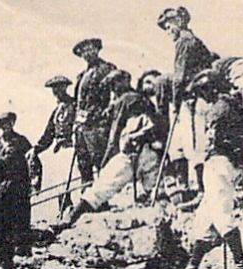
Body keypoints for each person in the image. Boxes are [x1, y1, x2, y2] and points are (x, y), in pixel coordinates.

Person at [65, 70, 164, 221]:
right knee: (156, 190)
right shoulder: (144, 100)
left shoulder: (125, 100)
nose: (113, 88)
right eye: (111, 85)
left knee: (101, 188)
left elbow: (115, 132)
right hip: (150, 152)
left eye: (115, 83)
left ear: (125, 80)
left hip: (131, 152)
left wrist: (106, 159)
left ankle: (72, 217)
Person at [186, 73, 243, 269]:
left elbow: (211, 142)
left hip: (219, 163)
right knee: (205, 219)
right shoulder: (233, 105)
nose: (202, 98)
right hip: (231, 163)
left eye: (202, 93)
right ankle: (192, 268)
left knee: (221, 213)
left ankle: (240, 262)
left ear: (209, 90)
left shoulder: (218, 109)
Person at [161, 6, 219, 193]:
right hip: (204, 96)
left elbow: (179, 77)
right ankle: (203, 187)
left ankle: (203, 189)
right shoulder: (195, 41)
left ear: (178, 22)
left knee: (194, 145)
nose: (168, 31)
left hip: (193, 98)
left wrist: (176, 104)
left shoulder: (184, 42)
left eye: (169, 26)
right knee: (199, 143)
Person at [72, 38, 120, 187]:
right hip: (81, 126)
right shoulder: (81, 76)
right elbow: (78, 102)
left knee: (100, 160)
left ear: (97, 49)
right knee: (83, 162)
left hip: (97, 124)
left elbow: (116, 92)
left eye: (89, 49)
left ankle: (101, 198)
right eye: (83, 52)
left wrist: (108, 112)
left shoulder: (107, 68)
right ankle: (87, 196)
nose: (86, 54)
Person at [0, 112, 37, 239]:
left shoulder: (21, 141)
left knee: (21, 214)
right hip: (4, 183)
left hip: (20, 183)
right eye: (3, 124)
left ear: (12, 124)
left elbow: (32, 160)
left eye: (8, 123)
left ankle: (22, 248)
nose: (6, 126)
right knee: (2, 213)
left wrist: (34, 182)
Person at [35, 75, 78, 191]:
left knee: (74, 179)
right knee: (60, 181)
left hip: (73, 147)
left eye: (59, 87)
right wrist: (36, 149)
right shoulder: (56, 111)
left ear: (65, 87)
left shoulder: (75, 105)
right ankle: (65, 207)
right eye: (54, 88)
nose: (56, 91)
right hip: (60, 149)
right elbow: (49, 133)